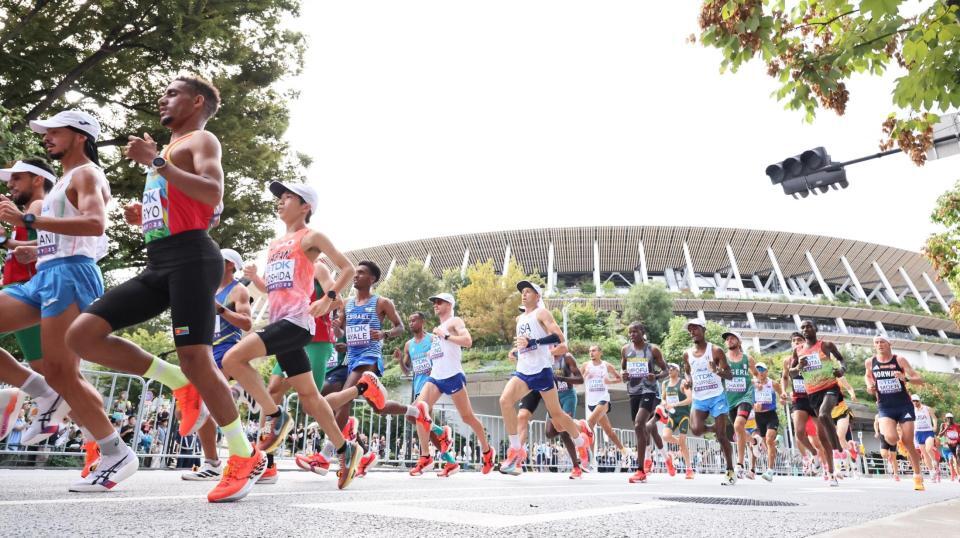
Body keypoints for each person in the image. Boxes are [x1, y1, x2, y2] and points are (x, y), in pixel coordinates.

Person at [64, 78, 259, 500]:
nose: (161, 97)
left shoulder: (201, 140)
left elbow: (213, 193)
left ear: (197, 101)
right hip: (160, 260)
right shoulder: (170, 153)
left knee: (198, 357)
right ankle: (176, 381)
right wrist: (147, 214)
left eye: (171, 92)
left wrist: (156, 163)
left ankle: (243, 454)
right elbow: (191, 206)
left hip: (193, 258)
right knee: (82, 334)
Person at [0, 110, 142, 492]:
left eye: (54, 131)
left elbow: (96, 224)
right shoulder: (66, 179)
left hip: (71, 274)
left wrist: (28, 222)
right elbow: (62, 233)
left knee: (64, 371)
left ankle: (116, 452)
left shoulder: (87, 174)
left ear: (79, 136)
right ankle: (41, 392)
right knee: (55, 375)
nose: (46, 137)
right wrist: (30, 247)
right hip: (46, 273)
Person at [221, 180, 363, 493]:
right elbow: (272, 288)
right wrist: (256, 278)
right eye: (279, 198)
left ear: (306, 206)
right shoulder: (274, 245)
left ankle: (275, 414)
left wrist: (328, 297)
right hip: (279, 320)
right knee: (311, 397)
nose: (280, 202)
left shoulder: (311, 237)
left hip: (297, 323)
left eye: (288, 197)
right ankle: (345, 450)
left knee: (233, 359)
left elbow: (348, 269)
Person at [498, 280, 590, 476]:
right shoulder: (519, 319)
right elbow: (526, 344)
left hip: (542, 371)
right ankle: (516, 449)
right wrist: (517, 349)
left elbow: (559, 338)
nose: (524, 294)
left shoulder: (542, 313)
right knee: (505, 401)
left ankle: (581, 441)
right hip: (523, 371)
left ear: (538, 296)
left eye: (529, 291)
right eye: (523, 291)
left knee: (557, 417)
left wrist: (535, 342)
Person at [181, 248, 253, 482]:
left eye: (219, 260)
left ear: (231, 265)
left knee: (203, 400)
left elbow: (247, 323)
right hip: (205, 349)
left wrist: (221, 309)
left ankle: (213, 462)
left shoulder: (238, 290)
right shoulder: (208, 289)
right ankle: (236, 394)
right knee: (201, 405)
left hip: (226, 350)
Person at [406, 293, 495, 477]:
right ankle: (425, 456)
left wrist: (445, 335)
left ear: (449, 304)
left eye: (439, 302)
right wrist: (432, 352)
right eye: (434, 302)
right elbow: (443, 349)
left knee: (468, 417)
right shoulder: (438, 328)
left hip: (453, 375)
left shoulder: (455, 321)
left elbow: (468, 341)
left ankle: (487, 452)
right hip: (436, 377)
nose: (435, 305)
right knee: (418, 411)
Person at [864, 334, 926, 491]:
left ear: (889, 343)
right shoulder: (870, 362)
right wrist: (869, 386)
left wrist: (905, 379)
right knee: (891, 439)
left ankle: (917, 476)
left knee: (908, 442)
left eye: (882, 342)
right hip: (885, 406)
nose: (879, 344)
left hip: (904, 405)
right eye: (876, 342)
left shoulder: (899, 360)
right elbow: (867, 377)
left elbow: (920, 379)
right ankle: (895, 436)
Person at [788, 320, 846, 486]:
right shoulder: (798, 350)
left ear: (815, 329)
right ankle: (831, 472)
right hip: (812, 393)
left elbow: (842, 361)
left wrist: (841, 370)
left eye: (809, 326)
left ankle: (837, 453)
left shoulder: (826, 345)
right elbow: (791, 373)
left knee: (824, 414)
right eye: (803, 327)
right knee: (822, 435)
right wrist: (798, 366)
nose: (806, 329)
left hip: (830, 388)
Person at [515, 350, 585, 479]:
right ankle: (580, 426)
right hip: (553, 397)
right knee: (550, 433)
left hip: (567, 395)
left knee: (564, 432)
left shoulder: (567, 357)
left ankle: (576, 467)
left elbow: (580, 379)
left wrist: (562, 378)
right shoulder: (544, 357)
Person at [683, 319, 736, 485]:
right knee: (697, 430)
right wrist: (688, 381)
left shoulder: (715, 350)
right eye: (690, 330)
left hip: (717, 397)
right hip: (699, 398)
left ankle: (730, 470)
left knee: (721, 436)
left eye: (695, 329)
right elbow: (687, 373)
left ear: (703, 329)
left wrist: (716, 370)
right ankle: (715, 428)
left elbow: (729, 375)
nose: (692, 332)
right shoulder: (687, 354)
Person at [621, 321, 669, 482]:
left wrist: (655, 376)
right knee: (642, 428)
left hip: (650, 391)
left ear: (642, 332)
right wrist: (624, 375)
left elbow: (666, 370)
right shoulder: (625, 350)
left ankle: (641, 470)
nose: (632, 335)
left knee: (638, 424)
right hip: (633, 392)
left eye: (635, 332)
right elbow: (623, 369)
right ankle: (650, 457)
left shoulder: (653, 349)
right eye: (630, 332)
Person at [581, 345, 627, 468]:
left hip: (603, 400)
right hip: (591, 402)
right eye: (589, 351)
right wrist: (585, 375)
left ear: (600, 352)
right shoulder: (586, 365)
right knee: (609, 431)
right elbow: (578, 380)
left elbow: (620, 378)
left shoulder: (606, 365)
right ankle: (623, 450)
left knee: (589, 424)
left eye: (594, 350)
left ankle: (589, 459)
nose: (591, 353)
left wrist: (609, 382)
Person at [721, 330, 758, 480]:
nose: (729, 340)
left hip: (746, 396)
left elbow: (756, 374)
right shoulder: (722, 358)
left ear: (739, 341)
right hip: (730, 399)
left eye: (732, 338)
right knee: (739, 429)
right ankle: (754, 441)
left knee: (738, 426)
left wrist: (757, 382)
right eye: (727, 339)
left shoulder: (747, 359)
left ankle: (740, 464)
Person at [661, 363, 694, 479]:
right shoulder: (664, 383)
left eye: (673, 368)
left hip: (683, 415)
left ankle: (689, 469)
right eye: (669, 368)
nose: (670, 370)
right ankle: (681, 444)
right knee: (665, 436)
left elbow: (690, 399)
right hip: (672, 415)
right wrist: (664, 403)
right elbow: (663, 398)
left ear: (678, 371)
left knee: (682, 440)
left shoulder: (683, 383)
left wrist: (676, 403)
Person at [752, 361, 784, 481]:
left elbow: (782, 394)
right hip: (759, 417)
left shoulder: (773, 384)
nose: (760, 372)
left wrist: (782, 399)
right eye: (757, 370)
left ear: (766, 372)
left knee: (769, 440)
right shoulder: (752, 384)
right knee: (767, 444)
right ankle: (778, 442)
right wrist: (754, 406)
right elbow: (747, 400)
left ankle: (770, 471)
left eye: (762, 370)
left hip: (771, 416)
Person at [911, 394, 940, 483]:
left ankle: (934, 460)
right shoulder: (911, 410)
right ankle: (932, 472)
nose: (915, 403)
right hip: (918, 433)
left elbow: (934, 418)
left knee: (928, 448)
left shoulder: (927, 408)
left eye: (916, 401)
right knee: (924, 454)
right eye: (913, 401)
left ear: (919, 401)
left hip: (928, 431)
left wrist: (935, 426)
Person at [874, 415, 900, 481]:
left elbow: (898, 425)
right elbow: (875, 423)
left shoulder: (891, 413)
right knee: (883, 454)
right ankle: (889, 457)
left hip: (892, 436)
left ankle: (896, 474)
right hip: (883, 437)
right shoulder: (878, 416)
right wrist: (876, 432)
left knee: (894, 457)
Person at [938, 412, 959, 481]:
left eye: (951, 418)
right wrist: (946, 428)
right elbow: (940, 435)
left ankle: (957, 475)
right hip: (950, 444)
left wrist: (956, 441)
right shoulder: (943, 425)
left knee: (957, 453)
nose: (949, 419)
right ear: (946, 419)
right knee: (955, 459)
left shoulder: (957, 426)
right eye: (948, 418)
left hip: (957, 443)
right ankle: (957, 474)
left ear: (953, 419)